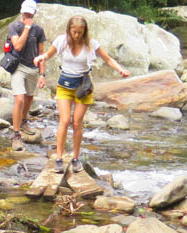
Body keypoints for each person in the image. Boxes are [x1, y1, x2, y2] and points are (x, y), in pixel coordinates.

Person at [35, 16, 130, 172]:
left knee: (77, 123)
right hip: (65, 85)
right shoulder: (62, 41)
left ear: (85, 32)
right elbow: (48, 54)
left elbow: (108, 59)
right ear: (69, 30)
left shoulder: (91, 44)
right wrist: (41, 57)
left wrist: (120, 70)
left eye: (80, 32)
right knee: (64, 121)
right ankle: (59, 158)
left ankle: (75, 158)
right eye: (74, 32)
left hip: (83, 87)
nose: (76, 35)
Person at [7, 0, 46, 152]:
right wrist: (27, 28)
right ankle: (16, 134)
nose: (28, 14)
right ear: (22, 12)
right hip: (18, 66)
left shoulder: (39, 30)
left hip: (33, 68)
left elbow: (41, 53)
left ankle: (24, 121)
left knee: (29, 97)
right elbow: (17, 45)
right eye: (26, 12)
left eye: (31, 12)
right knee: (19, 98)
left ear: (34, 13)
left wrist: (42, 74)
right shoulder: (14, 27)